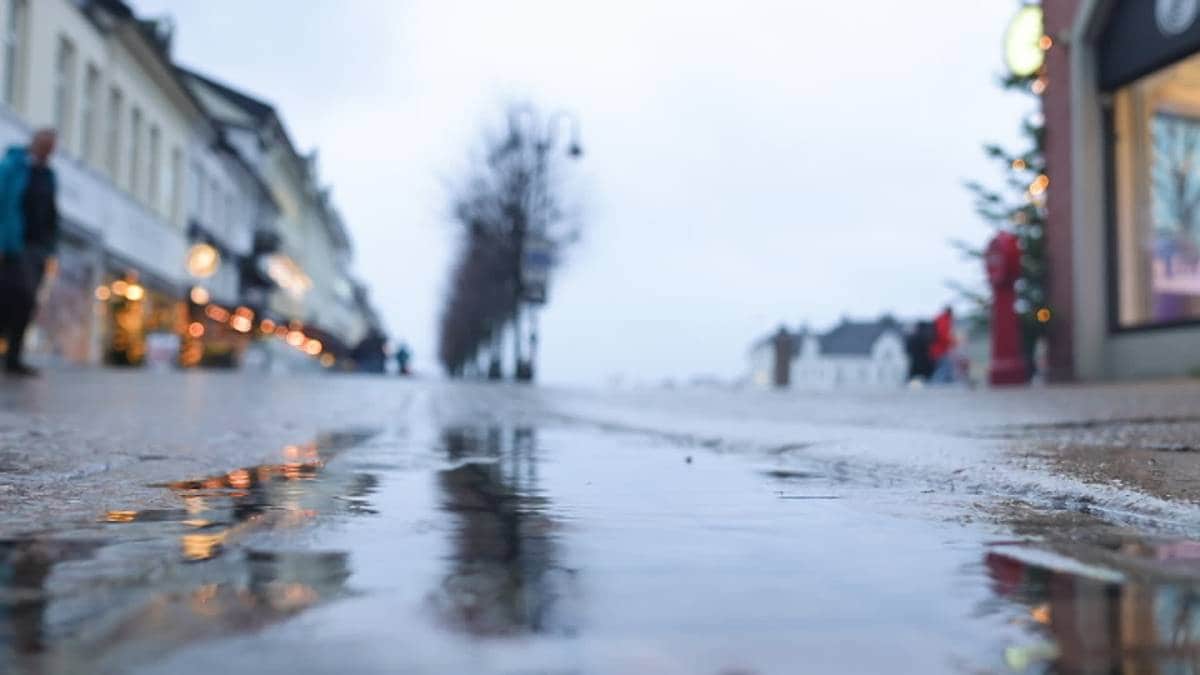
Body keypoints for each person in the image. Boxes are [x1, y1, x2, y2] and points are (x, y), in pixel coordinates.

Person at [0, 129, 58, 376]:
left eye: (51, 148)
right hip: (14, 243)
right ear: (35, 143)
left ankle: (13, 357)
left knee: (27, 301)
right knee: (13, 296)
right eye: (45, 146)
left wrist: (51, 245)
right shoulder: (13, 166)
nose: (48, 152)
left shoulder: (49, 175)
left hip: (38, 247)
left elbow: (51, 211)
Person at [929, 306, 957, 384]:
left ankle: (940, 382)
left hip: (938, 348)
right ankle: (936, 383)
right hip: (940, 349)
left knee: (945, 366)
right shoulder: (943, 320)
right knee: (944, 367)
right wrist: (952, 342)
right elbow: (943, 335)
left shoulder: (940, 319)